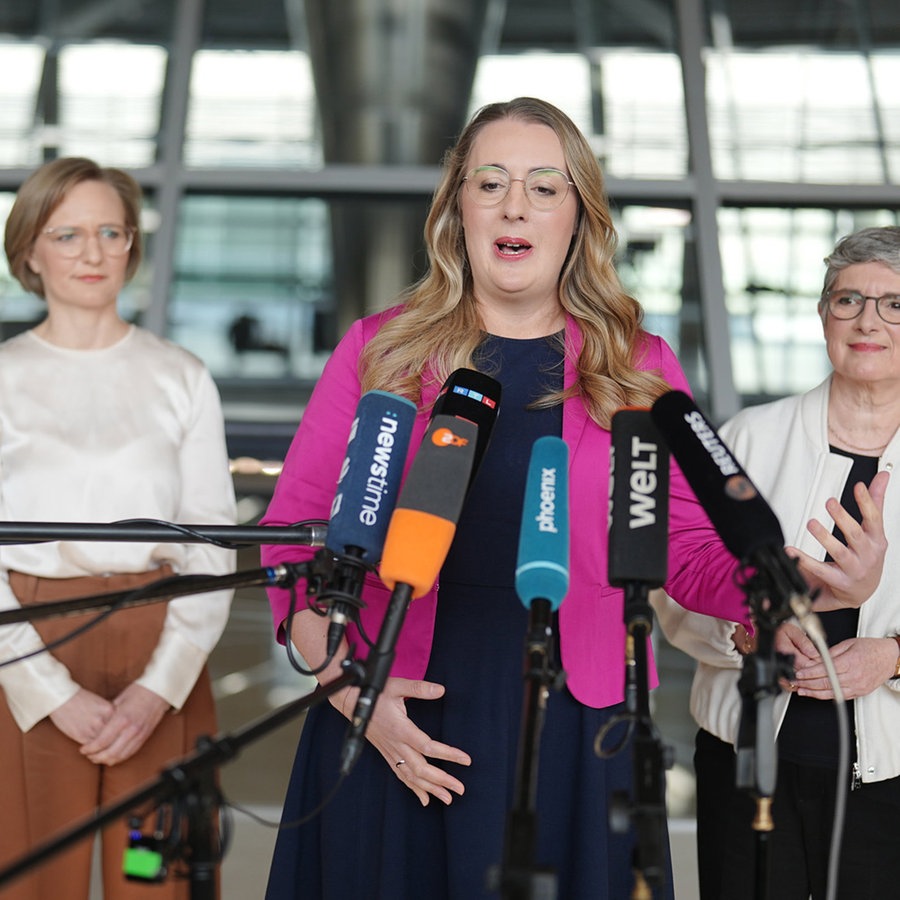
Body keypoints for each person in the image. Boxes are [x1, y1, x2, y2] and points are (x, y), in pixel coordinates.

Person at [259, 96, 771, 900]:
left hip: (579, 721)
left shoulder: (640, 367)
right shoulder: (381, 352)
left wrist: (777, 587)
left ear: (580, 215)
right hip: (394, 700)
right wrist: (352, 692)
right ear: (457, 207)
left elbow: (687, 547)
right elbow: (296, 546)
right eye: (490, 182)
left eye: (545, 186)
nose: (515, 205)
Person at [0, 157, 237, 900]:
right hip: (28, 642)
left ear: (133, 244)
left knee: (153, 875)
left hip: (158, 644)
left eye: (111, 231)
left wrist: (157, 688)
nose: (94, 253)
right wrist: (48, 690)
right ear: (30, 251)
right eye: (67, 234)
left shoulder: (182, 375)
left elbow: (210, 539)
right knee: (37, 878)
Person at [653, 226, 899, 900]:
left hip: (892, 775)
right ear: (823, 316)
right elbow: (674, 589)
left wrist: (891, 656)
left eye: (894, 304)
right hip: (746, 757)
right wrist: (745, 631)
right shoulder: (746, 440)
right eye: (847, 300)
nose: (868, 320)